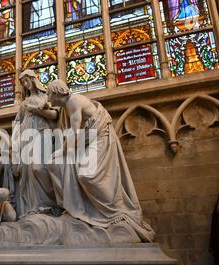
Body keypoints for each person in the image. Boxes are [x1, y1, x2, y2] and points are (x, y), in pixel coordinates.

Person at [46, 80, 155, 242]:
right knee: (69, 169)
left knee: (86, 174)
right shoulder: (67, 106)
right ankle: (84, 211)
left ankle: (116, 211)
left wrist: (62, 152)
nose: (48, 98)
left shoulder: (73, 101)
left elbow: (75, 132)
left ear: (55, 93)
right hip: (89, 138)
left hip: (100, 136)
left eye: (48, 94)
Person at [12, 69, 60, 217]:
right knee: (28, 170)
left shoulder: (47, 96)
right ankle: (34, 206)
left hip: (43, 132)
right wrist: (15, 141)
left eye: (26, 81)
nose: (25, 85)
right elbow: (17, 122)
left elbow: (55, 114)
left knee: (40, 168)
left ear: (33, 79)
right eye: (22, 83)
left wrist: (37, 110)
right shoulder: (24, 102)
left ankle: (50, 204)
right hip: (27, 136)